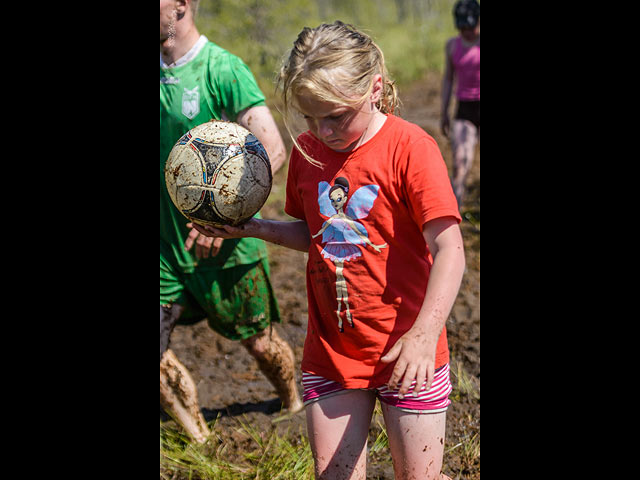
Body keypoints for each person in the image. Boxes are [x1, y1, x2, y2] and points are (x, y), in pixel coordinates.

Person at [192, 20, 465, 480]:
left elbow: (450, 249)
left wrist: (423, 335)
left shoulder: (410, 148)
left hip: (407, 350)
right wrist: (257, 228)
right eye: (309, 116)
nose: (323, 130)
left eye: (336, 116)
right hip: (333, 351)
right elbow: (316, 235)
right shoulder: (308, 152)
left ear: (374, 87)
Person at [159, 0, 302, 443]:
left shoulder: (222, 69)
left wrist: (222, 217)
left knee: (260, 344)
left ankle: (292, 401)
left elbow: (271, 150)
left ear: (181, 4)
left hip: (227, 245)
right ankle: (200, 443)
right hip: (164, 248)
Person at [440, 0, 480, 210]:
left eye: (471, 27)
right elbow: (448, 80)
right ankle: (455, 211)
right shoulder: (452, 46)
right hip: (464, 108)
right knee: (460, 162)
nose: (467, 32)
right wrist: (444, 112)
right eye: (463, 27)